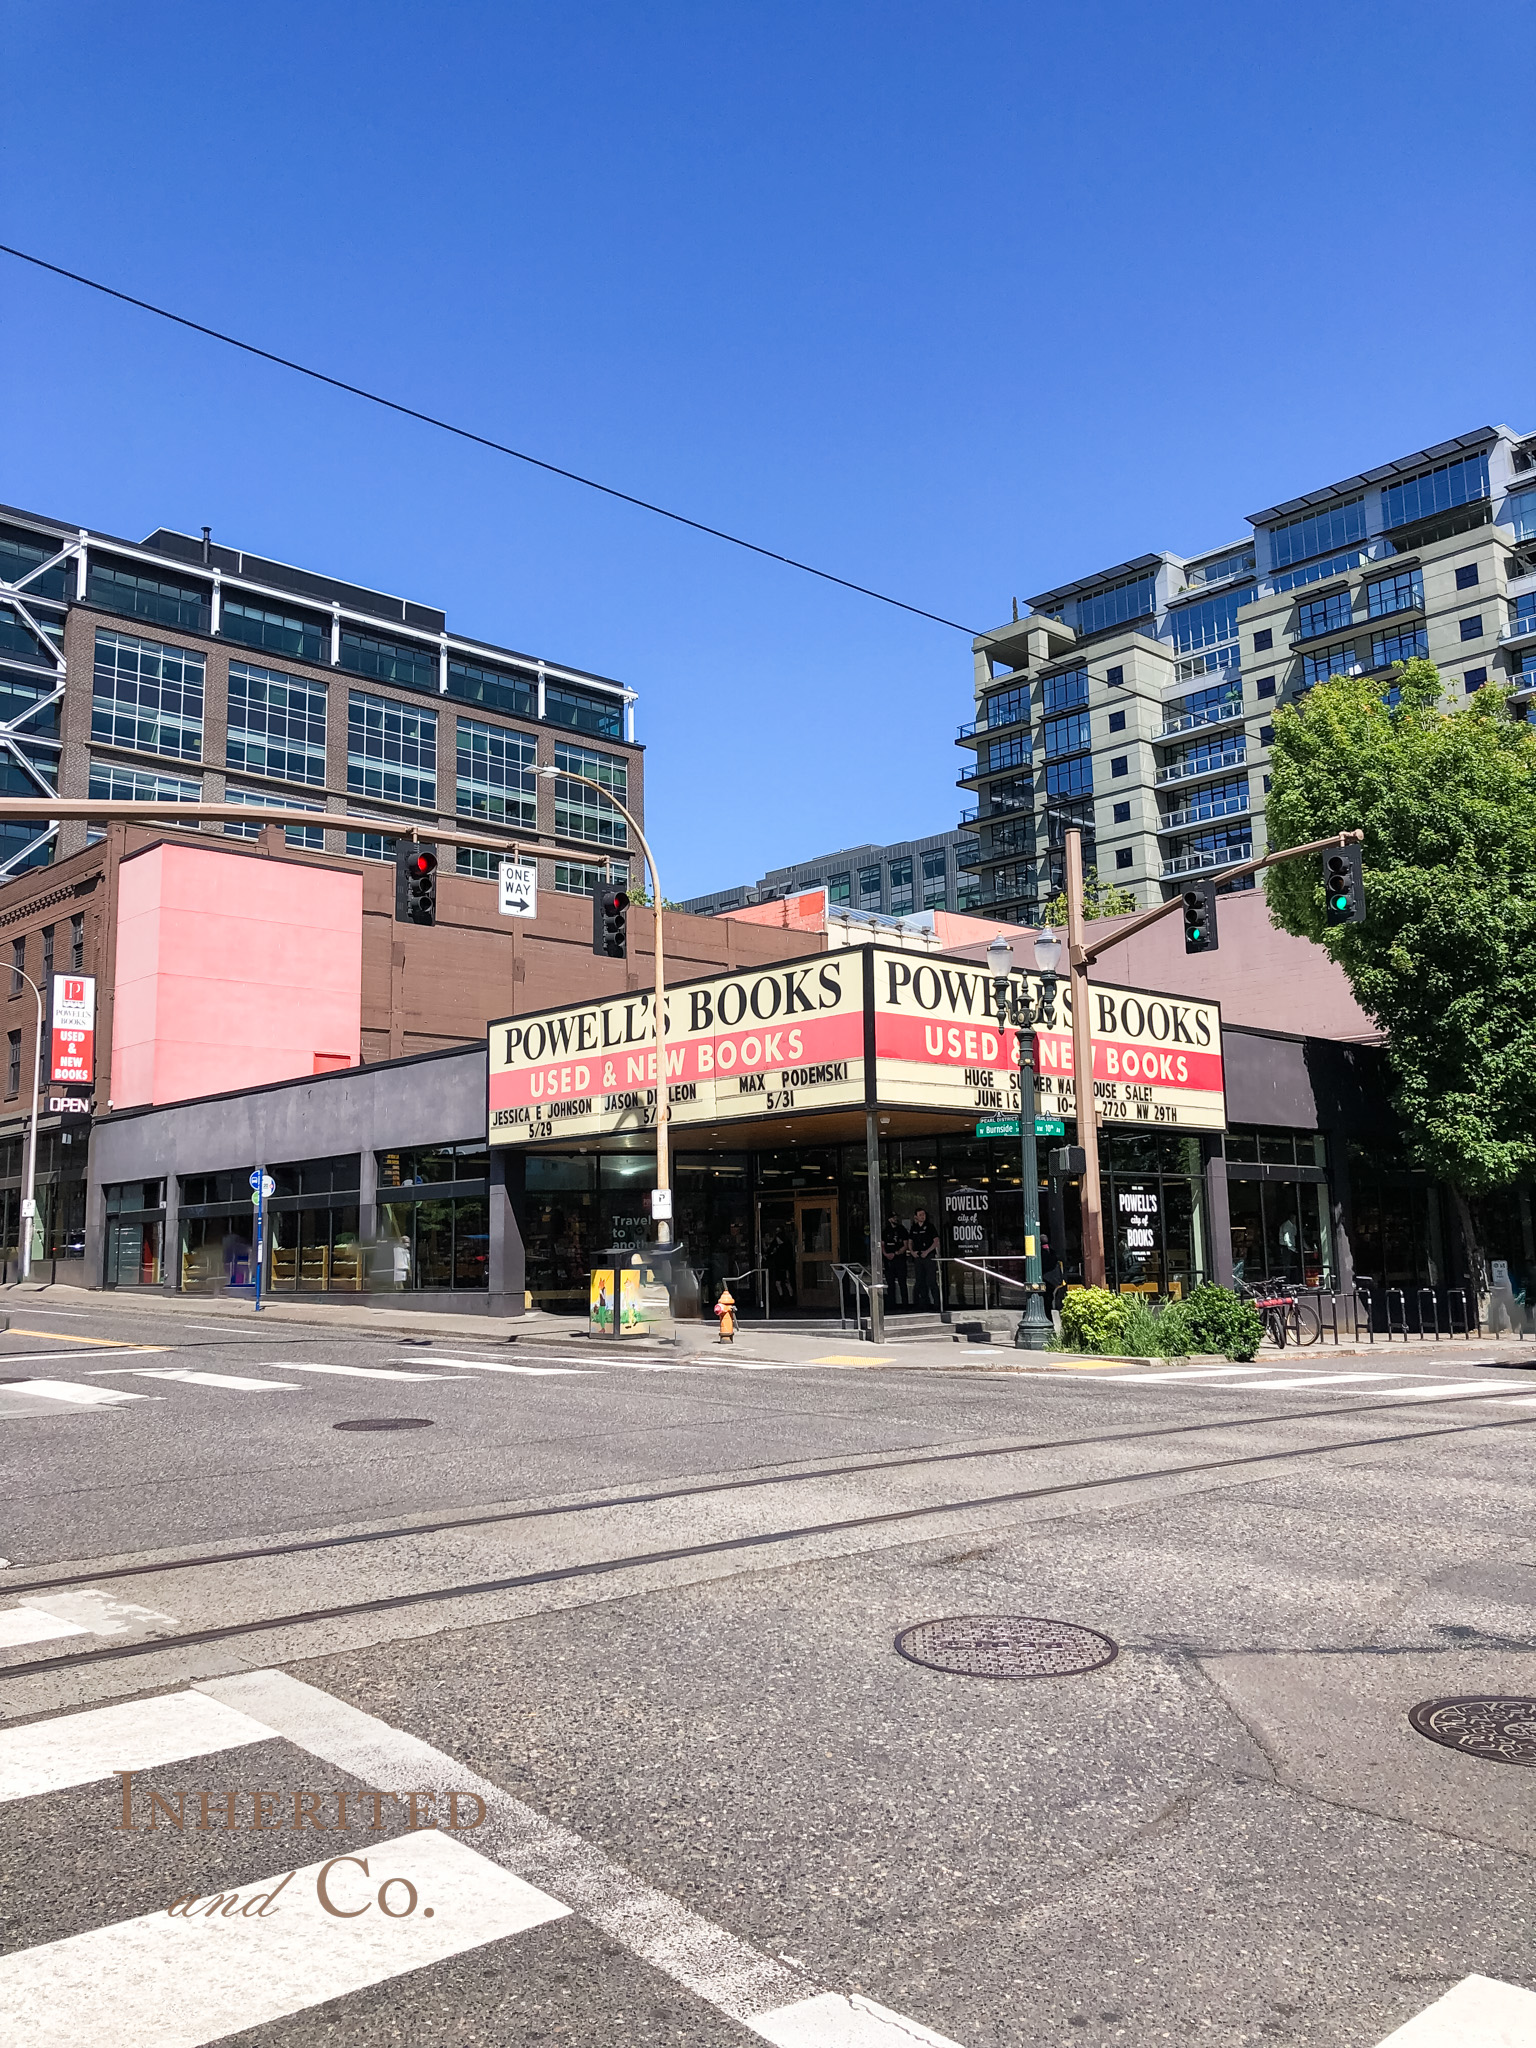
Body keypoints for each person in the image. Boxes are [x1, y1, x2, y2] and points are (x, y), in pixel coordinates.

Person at [909, 1207, 939, 1310]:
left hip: (928, 1256)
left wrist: (927, 1251)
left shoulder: (930, 1227)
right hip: (918, 1256)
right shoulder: (914, 1228)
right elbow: (910, 1241)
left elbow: (936, 1241)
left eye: (924, 1215)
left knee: (931, 1281)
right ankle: (922, 1304)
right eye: (920, 1215)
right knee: (919, 1281)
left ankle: (937, 1304)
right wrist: (912, 1252)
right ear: (916, 1217)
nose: (922, 1216)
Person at [881, 1214, 911, 1311]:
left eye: (896, 1217)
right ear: (889, 1219)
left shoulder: (902, 1229)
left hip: (900, 1260)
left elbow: (906, 1245)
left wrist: (897, 1253)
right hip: (889, 1261)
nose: (895, 1219)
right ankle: (891, 1305)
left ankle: (905, 1305)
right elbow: (882, 1244)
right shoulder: (885, 1231)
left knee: (902, 1282)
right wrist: (886, 1254)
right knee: (890, 1283)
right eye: (893, 1217)